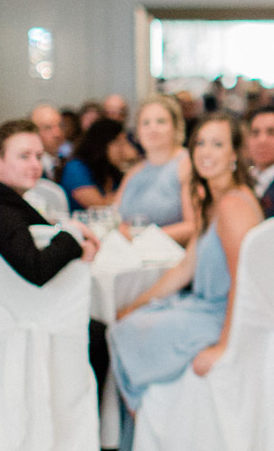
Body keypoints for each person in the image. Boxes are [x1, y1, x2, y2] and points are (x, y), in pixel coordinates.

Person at [108, 113, 263, 413]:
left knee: (127, 331)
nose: (205, 152)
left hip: (222, 317)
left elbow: (243, 283)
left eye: (217, 144)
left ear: (234, 154)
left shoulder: (232, 205)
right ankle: (148, 432)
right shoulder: (213, 201)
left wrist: (225, 345)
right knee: (128, 321)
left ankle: (150, 429)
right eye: (200, 143)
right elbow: (184, 270)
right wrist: (135, 304)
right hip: (203, 307)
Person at [0, 119, 97, 361]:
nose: (35, 165)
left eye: (38, 156)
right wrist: (73, 237)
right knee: (100, 335)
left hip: (7, 309)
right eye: (24, 156)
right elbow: (36, 267)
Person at [115, 94, 196, 244]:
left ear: (175, 127)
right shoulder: (135, 171)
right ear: (138, 131)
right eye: (145, 123)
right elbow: (115, 215)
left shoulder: (186, 165)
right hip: (131, 253)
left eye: (161, 121)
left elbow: (193, 226)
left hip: (170, 256)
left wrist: (142, 237)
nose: (153, 128)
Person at [60, 117, 132, 212]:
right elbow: (97, 206)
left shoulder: (112, 171)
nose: (123, 149)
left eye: (124, 142)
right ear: (103, 143)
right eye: (118, 142)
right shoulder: (76, 168)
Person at [30, 103, 65, 181]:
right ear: (33, 132)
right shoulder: (29, 167)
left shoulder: (67, 160)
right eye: (48, 128)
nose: (58, 133)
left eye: (60, 126)